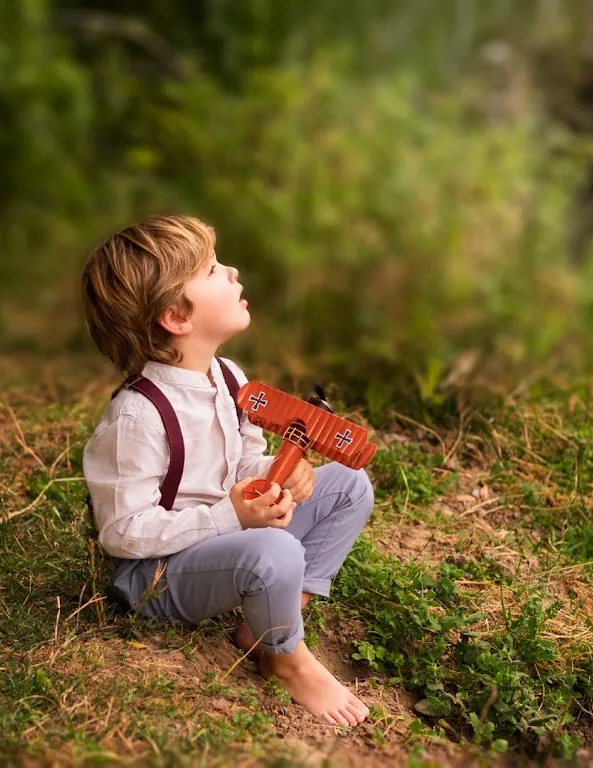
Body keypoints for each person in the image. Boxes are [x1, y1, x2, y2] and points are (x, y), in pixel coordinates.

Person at [80, 214, 374, 726]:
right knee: (275, 548)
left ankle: (272, 620)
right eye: (214, 269)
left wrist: (279, 476)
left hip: (230, 539)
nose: (233, 272)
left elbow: (243, 461)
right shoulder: (138, 416)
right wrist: (232, 517)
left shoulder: (228, 376)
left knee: (349, 486)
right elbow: (123, 534)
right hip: (159, 574)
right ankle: (284, 658)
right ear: (177, 316)